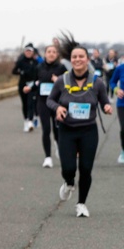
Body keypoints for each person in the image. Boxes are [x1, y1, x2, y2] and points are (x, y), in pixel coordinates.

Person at [47, 34, 113, 217]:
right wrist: (58, 108)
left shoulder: (97, 82)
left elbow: (104, 101)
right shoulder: (62, 81)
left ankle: (81, 204)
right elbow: (50, 101)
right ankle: (69, 183)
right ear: (71, 60)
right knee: (68, 168)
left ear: (87, 59)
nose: (77, 59)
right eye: (74, 57)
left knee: (85, 169)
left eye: (81, 56)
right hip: (67, 130)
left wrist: (107, 107)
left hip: (88, 131)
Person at [35, 44, 68, 168]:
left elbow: (68, 85)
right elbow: (35, 82)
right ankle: (47, 157)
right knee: (46, 129)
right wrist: (30, 88)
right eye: (49, 51)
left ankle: (58, 145)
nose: (51, 54)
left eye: (54, 52)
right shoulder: (39, 67)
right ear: (45, 54)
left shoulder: (62, 67)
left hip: (57, 103)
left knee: (57, 128)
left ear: (57, 54)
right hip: (43, 102)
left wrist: (58, 80)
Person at [14, 44, 39, 132]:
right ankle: (26, 120)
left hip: (32, 86)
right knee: (24, 104)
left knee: (31, 103)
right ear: (24, 52)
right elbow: (14, 71)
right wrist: (21, 72)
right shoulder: (20, 61)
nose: (28, 52)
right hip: (22, 85)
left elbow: (39, 72)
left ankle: (30, 121)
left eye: (30, 51)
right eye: (27, 51)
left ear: (33, 52)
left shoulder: (36, 62)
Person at [109, 59, 124, 164]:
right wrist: (116, 90)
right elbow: (112, 82)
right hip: (122, 104)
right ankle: (123, 150)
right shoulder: (120, 68)